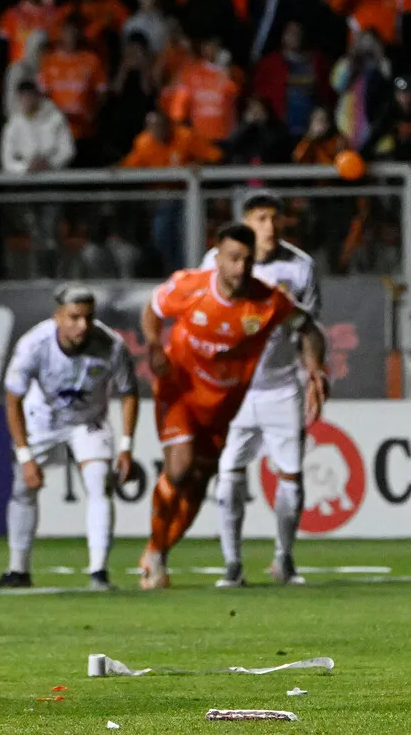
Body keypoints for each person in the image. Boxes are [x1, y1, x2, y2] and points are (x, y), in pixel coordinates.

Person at [138, 222, 327, 589]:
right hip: (181, 390)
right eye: (233, 258)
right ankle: (157, 556)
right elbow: (152, 308)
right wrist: (153, 345)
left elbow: (309, 328)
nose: (240, 268)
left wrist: (315, 370)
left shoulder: (269, 302)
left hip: (223, 407)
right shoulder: (191, 286)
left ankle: (157, 549)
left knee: (197, 485)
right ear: (218, 258)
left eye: (247, 259)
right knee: (180, 467)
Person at [201, 195, 323, 587]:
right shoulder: (212, 262)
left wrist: (314, 373)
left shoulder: (300, 266)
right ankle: (232, 563)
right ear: (246, 224)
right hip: (232, 390)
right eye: (261, 218)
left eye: (274, 218)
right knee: (229, 476)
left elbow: (308, 328)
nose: (269, 226)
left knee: (291, 476)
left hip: (281, 387)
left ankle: (284, 558)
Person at [0, 284, 138, 591]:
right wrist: (26, 456)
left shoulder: (111, 344)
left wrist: (126, 447)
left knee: (99, 484)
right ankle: (18, 570)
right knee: (22, 488)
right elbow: (13, 399)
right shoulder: (33, 345)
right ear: (58, 316)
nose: (83, 325)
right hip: (42, 419)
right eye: (74, 317)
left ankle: (99, 572)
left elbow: (129, 392)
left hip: (88, 422)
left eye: (89, 318)